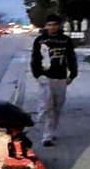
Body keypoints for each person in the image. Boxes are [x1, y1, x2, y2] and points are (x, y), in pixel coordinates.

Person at [30, 13, 78, 146]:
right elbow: (35, 59)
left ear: (59, 25)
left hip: (61, 77)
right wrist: (37, 75)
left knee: (57, 106)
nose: (52, 27)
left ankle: (51, 131)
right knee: (47, 105)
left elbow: (71, 58)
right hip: (45, 77)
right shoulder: (40, 40)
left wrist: (72, 75)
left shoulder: (66, 40)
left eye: (54, 25)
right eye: (49, 25)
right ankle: (46, 135)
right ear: (46, 26)